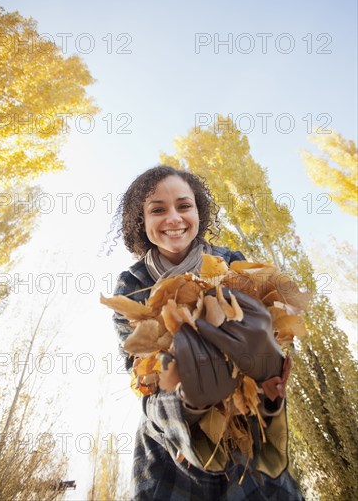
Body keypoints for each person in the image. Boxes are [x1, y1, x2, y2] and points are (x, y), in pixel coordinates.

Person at [110, 165, 303, 500]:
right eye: (158, 209)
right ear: (141, 221)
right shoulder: (131, 288)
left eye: (184, 206)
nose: (173, 218)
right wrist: (187, 404)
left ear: (198, 211)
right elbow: (144, 389)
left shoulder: (233, 264)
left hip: (251, 462)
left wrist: (270, 367)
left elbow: (276, 356)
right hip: (171, 472)